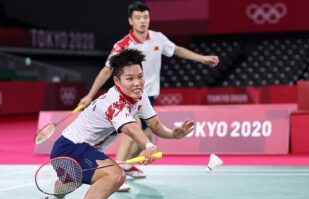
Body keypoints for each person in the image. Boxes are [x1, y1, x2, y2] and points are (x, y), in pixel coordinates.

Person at [42, 49, 195, 199]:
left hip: (82, 149)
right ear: (117, 81)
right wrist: (148, 146)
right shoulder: (114, 103)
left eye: (140, 76)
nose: (137, 83)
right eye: (130, 79)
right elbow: (131, 128)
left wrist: (174, 135)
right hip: (70, 147)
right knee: (115, 175)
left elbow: (155, 125)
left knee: (72, 180)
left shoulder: (139, 95)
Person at [79, 1, 219, 189]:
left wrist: (202, 58)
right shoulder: (123, 45)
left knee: (148, 136)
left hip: (149, 95)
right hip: (129, 96)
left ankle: (127, 165)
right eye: (138, 18)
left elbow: (176, 50)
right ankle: (117, 175)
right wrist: (90, 94)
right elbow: (106, 71)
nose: (143, 21)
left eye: (145, 17)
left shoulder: (158, 38)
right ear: (130, 21)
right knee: (133, 130)